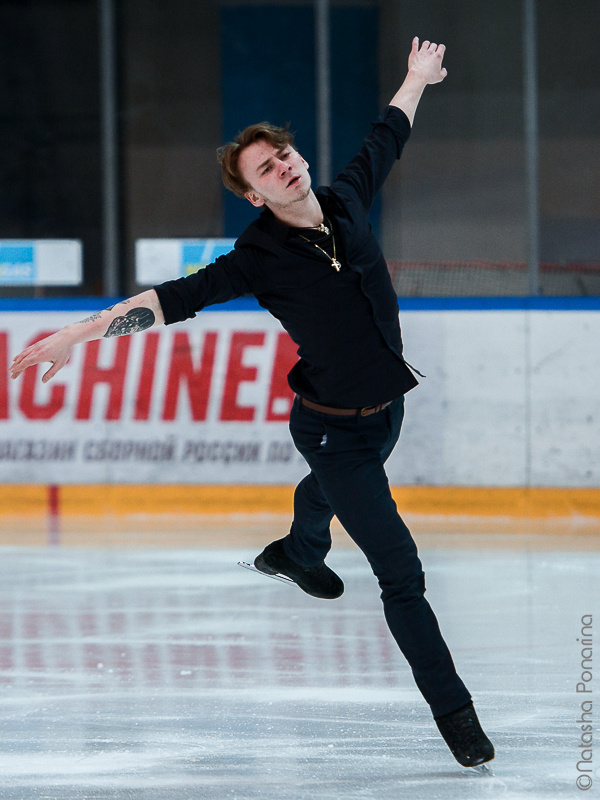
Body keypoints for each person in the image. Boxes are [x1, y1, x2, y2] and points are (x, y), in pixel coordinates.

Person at [10, 38, 494, 769]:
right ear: (253, 195)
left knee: (330, 495)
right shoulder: (256, 258)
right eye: (265, 169)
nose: (284, 167)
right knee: (401, 572)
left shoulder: (346, 198)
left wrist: (416, 77)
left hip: (387, 412)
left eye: (285, 156)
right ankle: (457, 716)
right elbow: (167, 301)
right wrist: (77, 333)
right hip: (331, 432)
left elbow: (387, 132)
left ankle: (298, 550)